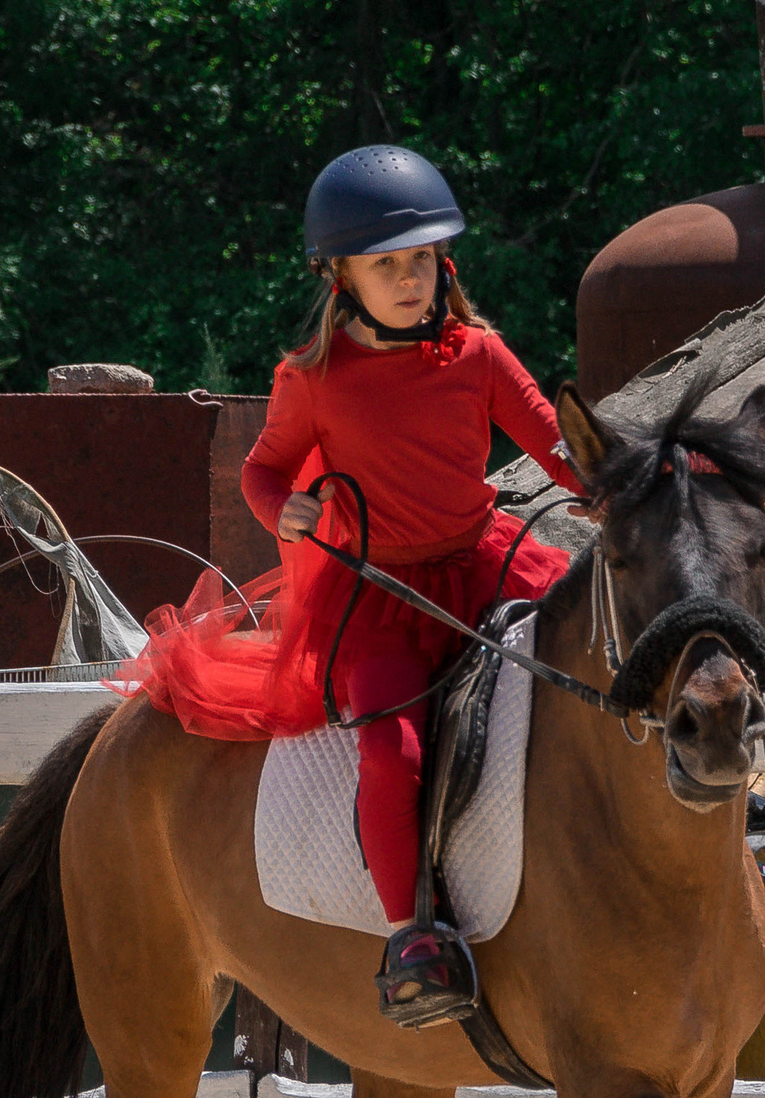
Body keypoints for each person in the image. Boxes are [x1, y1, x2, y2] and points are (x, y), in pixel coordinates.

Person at [127, 144, 585, 1028]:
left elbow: (549, 440)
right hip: (380, 595)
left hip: (485, 564)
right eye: (386, 266)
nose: (410, 279)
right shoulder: (314, 377)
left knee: (600, 663)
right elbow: (264, 471)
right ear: (341, 274)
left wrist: (602, 487)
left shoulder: (479, 353)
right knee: (394, 750)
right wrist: (285, 511)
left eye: (422, 260)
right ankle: (413, 935)